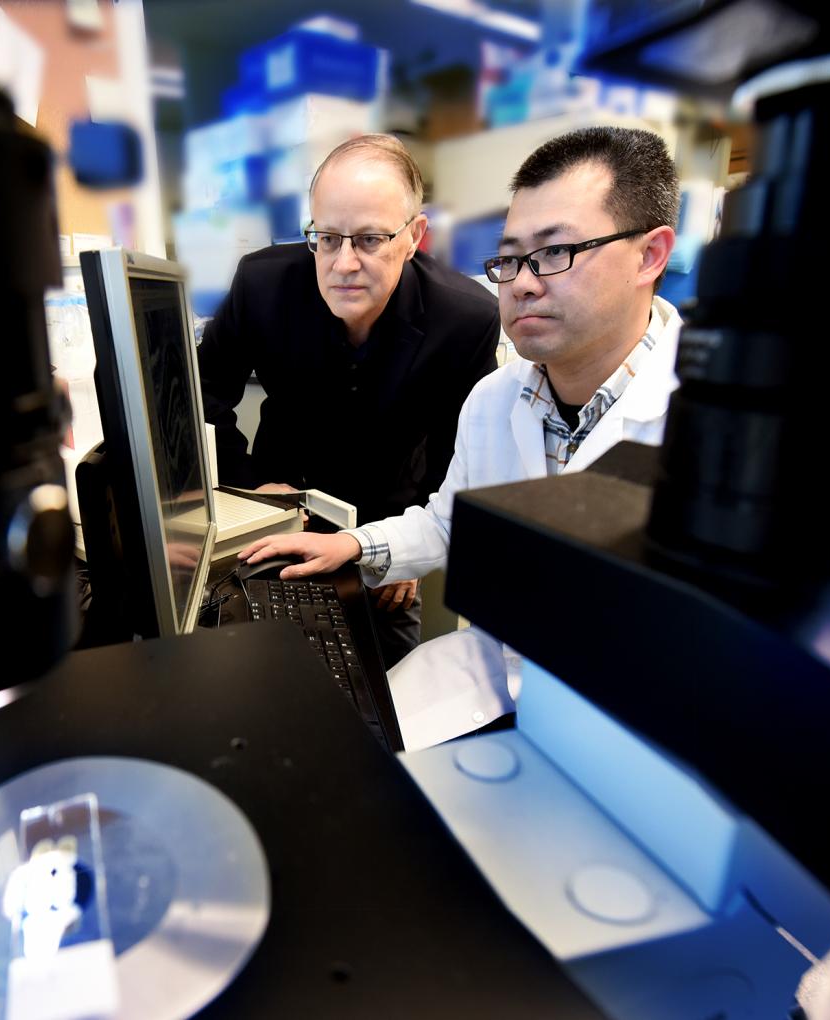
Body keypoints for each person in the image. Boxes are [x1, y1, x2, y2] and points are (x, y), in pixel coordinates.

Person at [240, 126, 682, 750]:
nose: (523, 284)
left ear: (649, 256)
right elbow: (453, 522)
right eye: (510, 259)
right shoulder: (497, 400)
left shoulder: (705, 431)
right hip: (498, 686)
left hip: (633, 733)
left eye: (555, 253)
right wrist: (354, 548)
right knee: (340, 744)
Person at [197, 133, 500, 667]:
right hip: (277, 514)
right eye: (327, 238)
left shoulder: (464, 319)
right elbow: (202, 398)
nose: (342, 263)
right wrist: (249, 485)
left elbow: (460, 454)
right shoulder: (262, 284)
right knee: (253, 675)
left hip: (386, 524)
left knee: (382, 700)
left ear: (413, 236)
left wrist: (405, 550)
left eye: (368, 240)